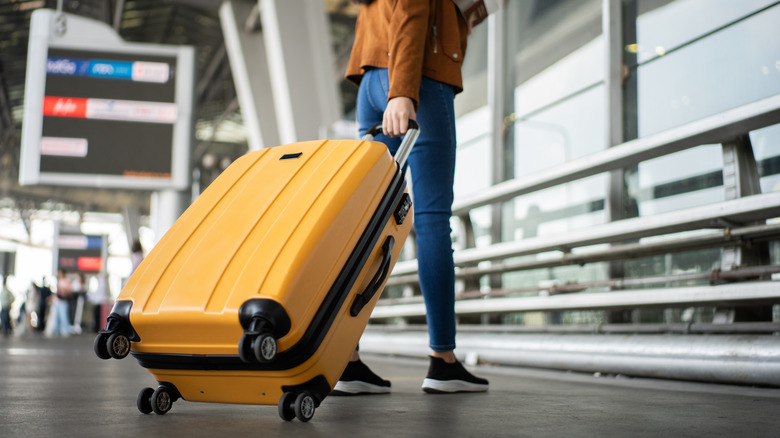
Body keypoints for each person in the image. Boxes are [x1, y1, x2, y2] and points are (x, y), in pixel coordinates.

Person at [334, 0, 488, 394]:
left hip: (370, 82)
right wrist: (403, 91)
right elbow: (413, 14)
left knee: (369, 224)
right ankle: (443, 361)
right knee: (433, 219)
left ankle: (346, 358)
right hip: (415, 77)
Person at [50, 269, 72, 337]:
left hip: (63, 301)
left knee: (64, 316)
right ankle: (57, 331)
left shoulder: (66, 281)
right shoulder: (58, 281)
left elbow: (68, 292)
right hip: (57, 301)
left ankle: (66, 331)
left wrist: (62, 290)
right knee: (57, 317)